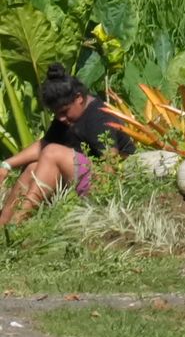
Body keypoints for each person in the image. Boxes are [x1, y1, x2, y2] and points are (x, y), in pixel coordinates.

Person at [1, 70, 126, 229]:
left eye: (63, 112)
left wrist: (107, 197)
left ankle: (16, 224)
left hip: (105, 185)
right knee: (33, 167)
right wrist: (6, 165)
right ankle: (3, 227)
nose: (60, 118)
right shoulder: (68, 117)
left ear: (79, 98)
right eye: (56, 114)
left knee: (53, 152)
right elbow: (43, 145)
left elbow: (111, 165)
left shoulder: (98, 118)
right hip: (87, 176)